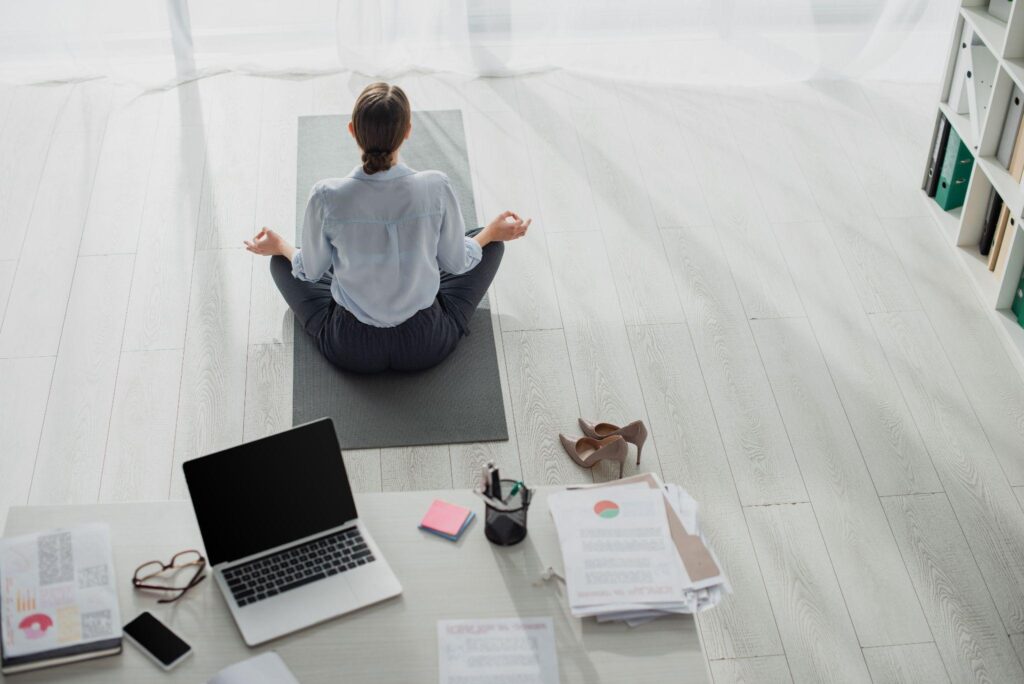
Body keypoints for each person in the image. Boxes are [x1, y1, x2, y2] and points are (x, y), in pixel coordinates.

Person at [245, 82, 529, 373]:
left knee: (283, 264)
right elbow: (456, 262)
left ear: (352, 130)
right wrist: (491, 233)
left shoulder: (326, 194)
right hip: (426, 343)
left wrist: (279, 245)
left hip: (352, 348)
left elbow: (311, 271)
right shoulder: (436, 186)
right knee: (484, 244)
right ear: (407, 130)